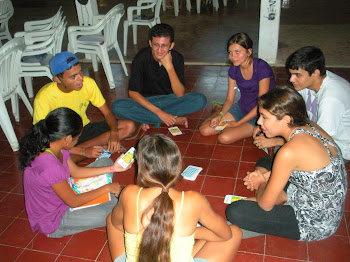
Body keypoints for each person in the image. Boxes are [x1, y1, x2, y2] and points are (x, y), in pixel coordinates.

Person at [226, 86, 347, 241]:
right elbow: (302, 169)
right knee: (266, 161)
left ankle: (274, 195)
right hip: (313, 196)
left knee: (236, 211)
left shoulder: (289, 152)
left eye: (264, 117)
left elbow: (265, 206)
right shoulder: (310, 125)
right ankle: (278, 194)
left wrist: (261, 182)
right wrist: (266, 175)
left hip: (314, 223)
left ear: (286, 120)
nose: (259, 121)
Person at [107, 133, 242, 262]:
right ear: (177, 167)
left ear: (141, 167)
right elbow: (225, 235)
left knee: (111, 219)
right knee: (234, 232)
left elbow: (117, 224)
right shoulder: (193, 200)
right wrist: (184, 231)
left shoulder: (129, 193)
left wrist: (152, 232)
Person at [19, 107, 132, 238]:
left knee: (105, 162)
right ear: (67, 139)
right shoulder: (49, 166)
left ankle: (104, 194)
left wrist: (113, 168)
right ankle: (106, 197)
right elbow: (73, 202)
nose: (78, 141)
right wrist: (107, 187)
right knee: (117, 210)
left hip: (66, 190)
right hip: (57, 218)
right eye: (77, 138)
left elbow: (76, 172)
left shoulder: (54, 146)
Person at [33, 51, 136, 162]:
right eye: (73, 76)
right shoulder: (43, 97)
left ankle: (90, 150)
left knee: (128, 126)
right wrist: (83, 151)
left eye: (80, 72)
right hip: (63, 140)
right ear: (58, 79)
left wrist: (114, 134)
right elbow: (42, 138)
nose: (80, 78)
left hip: (83, 129)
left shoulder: (88, 83)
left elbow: (107, 113)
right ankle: (93, 150)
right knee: (55, 158)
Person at [253, 46, 350, 162]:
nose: (291, 79)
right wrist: (265, 123)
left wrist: (278, 140)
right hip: (314, 130)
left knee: (287, 154)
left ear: (315, 73)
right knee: (283, 150)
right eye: (291, 74)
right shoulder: (308, 83)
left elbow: (320, 140)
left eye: (297, 75)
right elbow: (288, 107)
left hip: (338, 147)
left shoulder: (332, 98)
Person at [112, 23, 207, 131]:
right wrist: (159, 112)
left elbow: (179, 94)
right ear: (150, 43)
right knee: (117, 106)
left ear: (171, 45)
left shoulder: (177, 58)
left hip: (170, 100)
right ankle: (172, 119)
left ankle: (147, 118)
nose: (159, 50)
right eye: (156, 45)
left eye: (164, 46)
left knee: (200, 99)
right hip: (147, 102)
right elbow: (133, 93)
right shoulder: (141, 58)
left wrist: (169, 67)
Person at [199, 32, 275, 144]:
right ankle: (220, 111)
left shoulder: (261, 68)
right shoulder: (233, 70)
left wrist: (238, 124)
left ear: (249, 52)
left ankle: (252, 126)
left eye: (237, 52)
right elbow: (230, 99)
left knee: (224, 138)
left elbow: (261, 104)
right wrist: (220, 116)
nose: (232, 56)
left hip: (260, 114)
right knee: (204, 130)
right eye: (230, 52)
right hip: (242, 107)